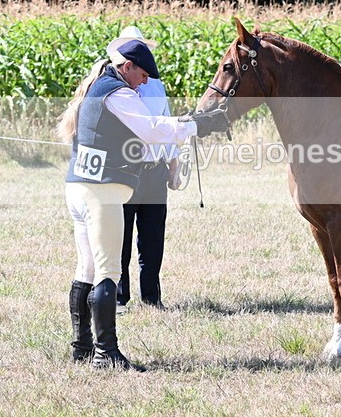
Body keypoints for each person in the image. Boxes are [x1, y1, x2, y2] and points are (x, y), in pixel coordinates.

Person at [57, 39, 228, 371]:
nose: (146, 81)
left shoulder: (99, 86)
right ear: (126, 68)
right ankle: (106, 354)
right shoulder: (120, 94)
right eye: (143, 73)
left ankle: (82, 349)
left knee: (87, 270)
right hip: (101, 192)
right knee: (107, 273)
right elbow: (152, 130)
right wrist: (199, 125)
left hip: (79, 187)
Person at [108, 27, 179, 312]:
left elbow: (167, 126)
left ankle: (151, 297)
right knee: (121, 237)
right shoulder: (112, 85)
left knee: (153, 238)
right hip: (127, 170)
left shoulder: (156, 86)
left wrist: (173, 165)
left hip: (155, 170)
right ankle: (119, 297)